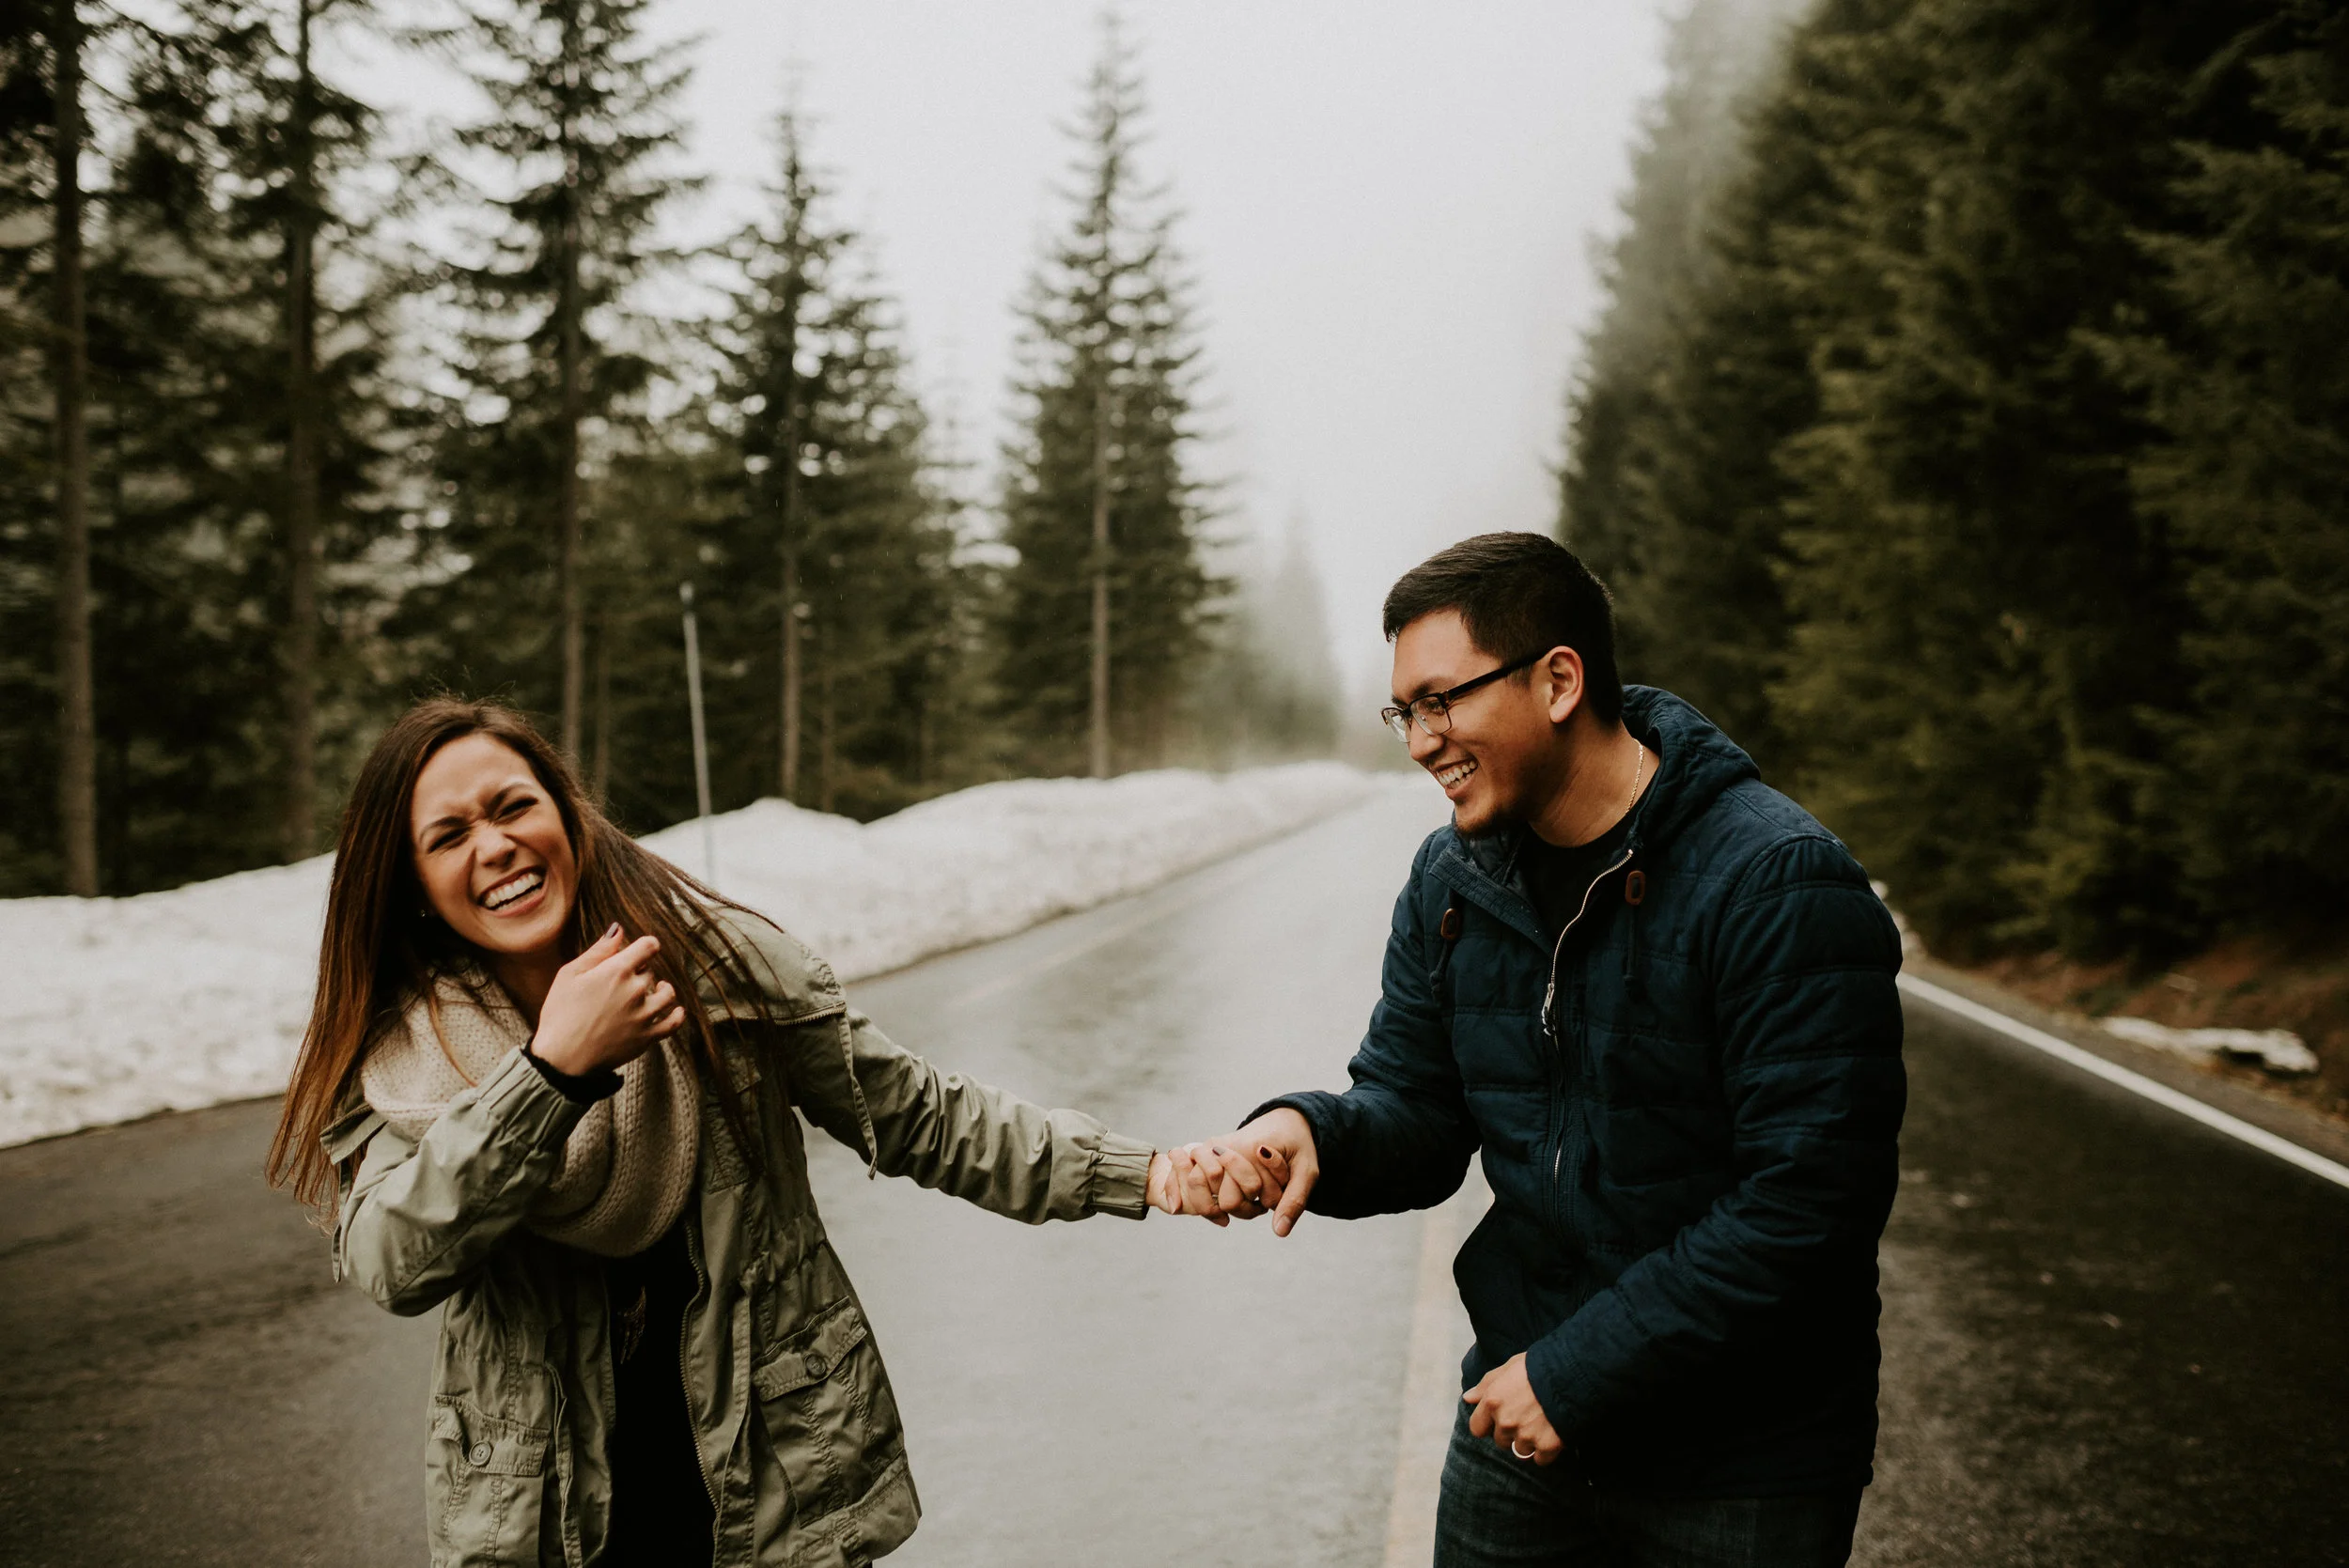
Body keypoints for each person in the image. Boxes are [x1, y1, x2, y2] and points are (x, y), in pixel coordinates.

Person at [266, 697, 1202, 1567]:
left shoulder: (718, 972)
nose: (497, 845)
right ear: (417, 884)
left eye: (515, 806)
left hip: (771, 1496)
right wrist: (550, 1074)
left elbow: (921, 1115)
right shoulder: (400, 1060)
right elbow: (395, 1258)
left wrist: (1143, 1172)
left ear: (567, 815)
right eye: (450, 835)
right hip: (551, 1524)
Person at [1168, 533, 1906, 1567]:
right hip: (1521, 1433)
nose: (1421, 739)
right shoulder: (1451, 880)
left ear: (1558, 679)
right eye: (1404, 712)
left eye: (1441, 700)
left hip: (1741, 1461)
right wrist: (1307, 1135)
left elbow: (1809, 1206)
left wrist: (1579, 1371)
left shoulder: (1777, 883)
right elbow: (1416, 1111)